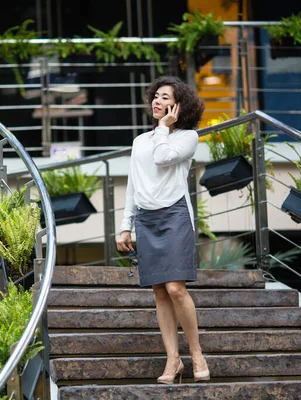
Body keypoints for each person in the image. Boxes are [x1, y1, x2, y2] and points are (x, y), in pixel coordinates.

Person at [116, 75, 210, 384]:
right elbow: (134, 184)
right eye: (155, 95)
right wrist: (125, 226)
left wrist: (162, 130)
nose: (157, 101)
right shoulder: (140, 141)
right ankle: (173, 360)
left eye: (165, 97)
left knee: (175, 288)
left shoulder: (186, 138)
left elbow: (163, 157)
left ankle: (196, 353)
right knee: (159, 292)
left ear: (179, 105)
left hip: (174, 216)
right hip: (146, 218)